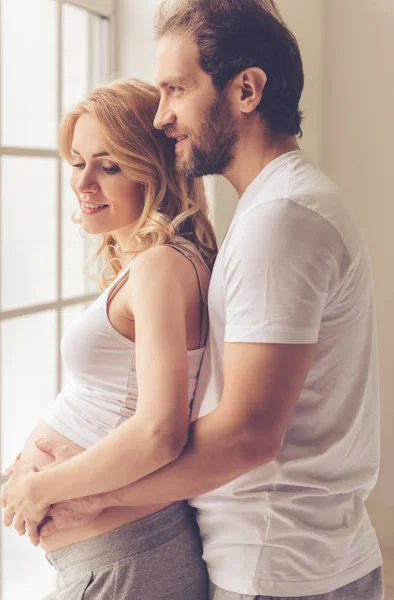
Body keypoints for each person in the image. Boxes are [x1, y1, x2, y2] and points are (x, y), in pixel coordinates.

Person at [4, 1, 383, 599]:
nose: (163, 117)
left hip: (276, 566)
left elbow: (245, 435)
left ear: (247, 91)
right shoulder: (266, 213)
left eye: (176, 90)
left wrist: (68, 490)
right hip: (269, 557)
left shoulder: (279, 219)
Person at [2, 78, 216, 599]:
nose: (84, 183)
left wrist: (40, 486)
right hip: (111, 559)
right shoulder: (150, 264)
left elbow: (160, 431)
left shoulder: (163, 265)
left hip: (126, 559)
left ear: (154, 170)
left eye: (110, 165)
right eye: (78, 162)